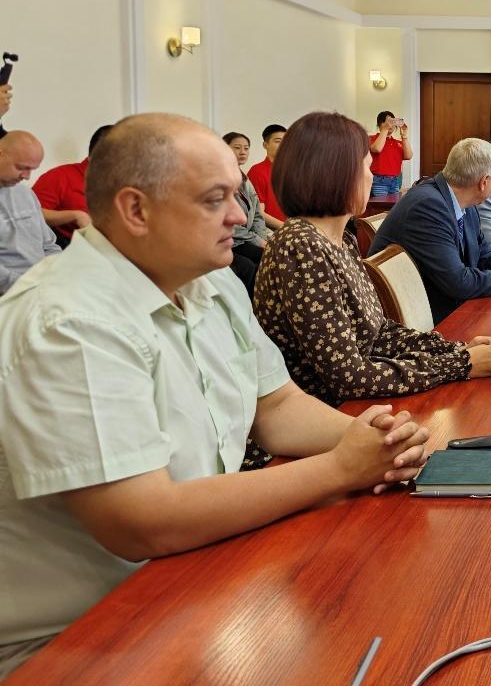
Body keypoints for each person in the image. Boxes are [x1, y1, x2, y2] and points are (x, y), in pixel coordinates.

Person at [0, 114, 430, 676]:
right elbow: (142, 521)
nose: (240, 216)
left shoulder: (211, 279)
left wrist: (380, 441)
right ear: (135, 211)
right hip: (78, 639)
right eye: (214, 199)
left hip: (194, 577)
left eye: (236, 194)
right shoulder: (69, 320)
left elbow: (275, 407)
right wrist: (340, 468)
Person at [254, 112, 491, 410]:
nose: (372, 177)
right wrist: (461, 363)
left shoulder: (340, 239)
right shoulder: (301, 247)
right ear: (337, 175)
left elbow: (379, 333)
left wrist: (456, 350)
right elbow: (348, 377)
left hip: (361, 400)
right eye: (368, 167)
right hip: (332, 412)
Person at [370, 137, 491, 324]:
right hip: (428, 319)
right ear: (484, 182)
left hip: (450, 304)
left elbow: (484, 254)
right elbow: (458, 282)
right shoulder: (428, 205)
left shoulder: (465, 201)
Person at [32, 124, 113, 245]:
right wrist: (74, 216)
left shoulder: (123, 183)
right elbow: (32, 213)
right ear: (92, 155)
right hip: (66, 246)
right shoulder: (61, 176)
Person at [0, 131, 60, 294]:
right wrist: (29, 288)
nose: (27, 177)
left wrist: (58, 272)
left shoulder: (25, 193)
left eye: (32, 169)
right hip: (12, 294)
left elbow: (49, 245)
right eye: (21, 167)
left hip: (41, 287)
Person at [222, 131, 270, 293]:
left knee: (270, 255)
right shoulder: (221, 177)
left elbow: (257, 214)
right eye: (237, 148)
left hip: (245, 238)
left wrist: (262, 239)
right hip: (231, 239)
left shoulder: (244, 178)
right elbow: (227, 220)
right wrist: (257, 240)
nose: (243, 152)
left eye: (246, 148)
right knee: (248, 266)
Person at [247, 123, 287, 226]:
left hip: (296, 226)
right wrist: (286, 227)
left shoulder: (293, 170)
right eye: (278, 141)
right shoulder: (257, 171)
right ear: (265, 145)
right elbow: (259, 213)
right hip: (271, 229)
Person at [369, 110, 413, 197]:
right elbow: (377, 149)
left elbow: (409, 156)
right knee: (380, 204)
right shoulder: (371, 138)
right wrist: (385, 129)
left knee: (393, 205)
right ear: (379, 124)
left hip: (395, 181)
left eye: (392, 122)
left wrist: (404, 136)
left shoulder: (398, 142)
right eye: (387, 122)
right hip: (378, 180)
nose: (390, 125)